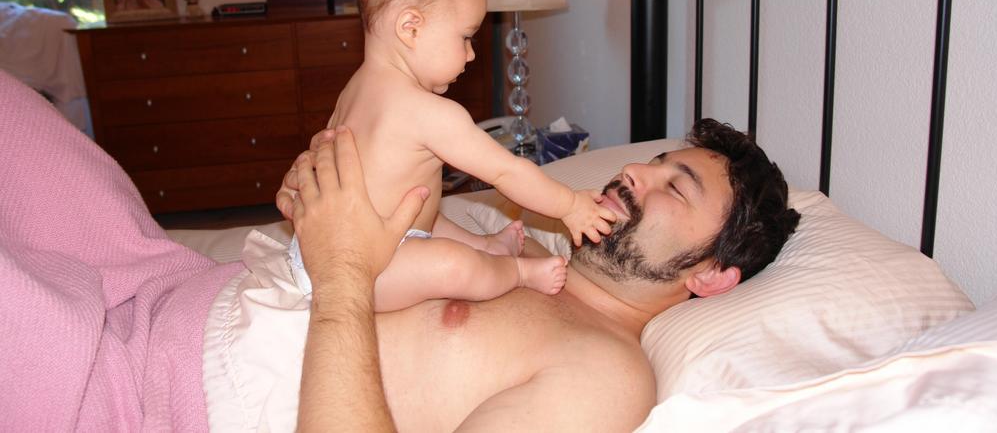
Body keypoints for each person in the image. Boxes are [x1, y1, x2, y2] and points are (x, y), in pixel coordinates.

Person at [280, 117, 800, 431]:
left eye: (677, 187)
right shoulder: (515, 252)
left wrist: (341, 269)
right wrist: (323, 207)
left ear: (711, 276)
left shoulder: (607, 377)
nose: (634, 171)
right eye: (654, 162)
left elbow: (349, 270)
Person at [287, 0, 617, 310]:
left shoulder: (354, 89)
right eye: (465, 37)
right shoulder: (428, 113)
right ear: (411, 28)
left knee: (419, 200)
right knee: (449, 263)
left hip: (321, 245)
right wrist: (570, 205)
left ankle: (485, 245)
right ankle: (517, 272)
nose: (472, 54)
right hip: (358, 272)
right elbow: (507, 172)